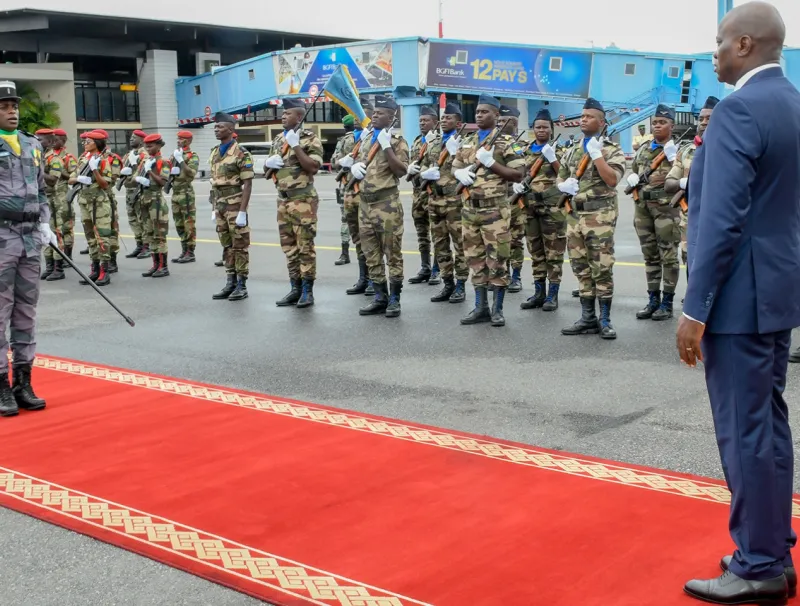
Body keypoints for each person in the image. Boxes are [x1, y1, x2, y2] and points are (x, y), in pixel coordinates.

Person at [677, 3, 800, 604]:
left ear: (746, 44)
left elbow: (721, 221)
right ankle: (771, 543)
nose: (716, 52)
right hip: (775, 291)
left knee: (744, 432)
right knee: (768, 426)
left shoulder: (739, 110)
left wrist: (695, 309)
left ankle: (759, 564)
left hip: (736, 299)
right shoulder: (793, 103)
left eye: (721, 41)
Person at [0, 80, 53, 416]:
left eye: (14, 106)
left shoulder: (32, 145)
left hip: (30, 239)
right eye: (4, 106)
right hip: (1, 237)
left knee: (26, 313)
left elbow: (42, 190)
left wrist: (46, 223)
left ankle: (23, 380)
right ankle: (0, 386)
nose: (12, 111)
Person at [452, 94, 525, 327]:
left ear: (496, 115)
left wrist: (492, 163)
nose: (479, 115)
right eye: (477, 112)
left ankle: (497, 309)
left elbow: (518, 174)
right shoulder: (468, 140)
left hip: (494, 211)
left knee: (498, 259)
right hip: (469, 210)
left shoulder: (505, 143)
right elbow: (456, 164)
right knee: (475, 260)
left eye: (485, 112)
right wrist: (458, 173)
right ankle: (480, 308)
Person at [558, 98, 625, 340]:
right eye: (582, 116)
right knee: (581, 268)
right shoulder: (573, 149)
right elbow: (561, 178)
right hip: (575, 216)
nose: (583, 119)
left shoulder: (611, 149)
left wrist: (597, 156)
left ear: (601, 122)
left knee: (602, 268)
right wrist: (563, 185)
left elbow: (612, 180)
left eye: (589, 116)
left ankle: (605, 319)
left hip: (600, 217)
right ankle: (587, 318)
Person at [349, 95, 409, 317]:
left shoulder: (397, 142)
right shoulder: (365, 140)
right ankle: (379, 296)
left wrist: (387, 148)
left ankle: (394, 299)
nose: (374, 115)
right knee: (371, 253)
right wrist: (353, 168)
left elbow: (402, 171)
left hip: (387, 204)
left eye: (380, 113)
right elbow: (359, 162)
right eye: (374, 112)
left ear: (391, 117)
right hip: (365, 204)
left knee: (392, 253)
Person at [267, 98, 324, 308]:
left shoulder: (310, 139)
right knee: (289, 247)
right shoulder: (277, 140)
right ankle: (295, 288)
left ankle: (308, 291)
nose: (283, 116)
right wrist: (267, 163)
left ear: (299, 117)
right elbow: (268, 172)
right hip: (283, 200)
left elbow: (312, 167)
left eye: (288, 113)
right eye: (282, 113)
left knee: (305, 247)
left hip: (303, 201)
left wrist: (296, 146)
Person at [628, 105, 681, 321]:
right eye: (655, 122)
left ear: (672, 125)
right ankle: (653, 300)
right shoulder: (643, 149)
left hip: (666, 209)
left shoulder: (678, 151)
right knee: (649, 255)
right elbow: (634, 170)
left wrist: (673, 157)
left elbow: (685, 172)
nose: (657, 125)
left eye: (662, 122)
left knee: (667, 255)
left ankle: (667, 303)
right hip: (643, 208)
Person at [515, 109, 566, 312]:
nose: (541, 130)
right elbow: (519, 172)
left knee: (553, 252)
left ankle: (552, 294)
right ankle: (539, 292)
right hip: (529, 207)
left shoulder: (559, 150)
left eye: (545, 127)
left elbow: (565, 173)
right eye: (538, 127)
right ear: (533, 129)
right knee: (535, 250)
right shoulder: (525, 151)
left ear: (552, 130)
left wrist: (552, 158)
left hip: (552, 208)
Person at [418, 101, 468, 304]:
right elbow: (424, 166)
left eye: (449, 118)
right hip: (434, 199)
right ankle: (447, 283)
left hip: (454, 200)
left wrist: (456, 152)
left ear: (458, 122)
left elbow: (471, 168)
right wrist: (423, 173)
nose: (445, 120)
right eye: (443, 117)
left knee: (459, 244)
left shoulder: (465, 143)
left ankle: (461, 285)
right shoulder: (433, 142)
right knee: (440, 244)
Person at [664, 96, 718, 281]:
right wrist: (683, 183)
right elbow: (669, 184)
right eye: (701, 118)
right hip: (690, 221)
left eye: (709, 118)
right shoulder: (687, 151)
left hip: (717, 221)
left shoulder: (730, 150)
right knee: (691, 267)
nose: (703, 123)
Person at [209, 112, 254, 301]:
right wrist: (213, 207)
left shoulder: (241, 153)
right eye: (215, 127)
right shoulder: (214, 152)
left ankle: (242, 285)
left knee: (239, 245)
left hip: (235, 203)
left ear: (231, 129)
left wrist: (242, 211)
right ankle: (230, 282)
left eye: (220, 127)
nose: (216, 130)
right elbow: (214, 182)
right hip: (219, 204)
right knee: (227, 245)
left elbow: (248, 184)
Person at [336, 98, 375, 296]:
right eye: (357, 115)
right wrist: (344, 162)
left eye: (363, 115)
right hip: (349, 194)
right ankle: (363, 277)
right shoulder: (348, 139)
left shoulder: (377, 138)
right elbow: (335, 162)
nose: (359, 119)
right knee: (357, 238)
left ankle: (374, 280)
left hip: (368, 196)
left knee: (371, 239)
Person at [70, 130, 114, 286]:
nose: (85, 144)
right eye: (84, 141)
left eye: (88, 141)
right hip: (84, 202)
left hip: (99, 203)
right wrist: (79, 178)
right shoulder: (82, 158)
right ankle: (94, 269)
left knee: (101, 237)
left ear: (97, 143)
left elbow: (105, 184)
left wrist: (94, 170)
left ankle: (104, 271)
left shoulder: (102, 161)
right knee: (90, 238)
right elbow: (70, 180)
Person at [406, 105, 438, 284]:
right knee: (422, 233)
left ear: (435, 122)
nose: (422, 123)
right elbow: (411, 164)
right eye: (420, 121)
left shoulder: (440, 141)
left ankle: (436, 269)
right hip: (418, 194)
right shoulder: (418, 141)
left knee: (437, 234)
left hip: (433, 194)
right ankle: (425, 267)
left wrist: (425, 171)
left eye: (426, 120)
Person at [499, 104, 527, 294]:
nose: (501, 124)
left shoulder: (518, 145)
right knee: (500, 239)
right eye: (499, 121)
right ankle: (503, 274)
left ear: (515, 124)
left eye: (505, 121)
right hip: (498, 198)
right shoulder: (493, 143)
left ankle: (516, 275)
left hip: (515, 198)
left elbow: (524, 169)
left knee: (516, 239)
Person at [136, 133, 171, 278]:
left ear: (158, 145)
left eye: (150, 146)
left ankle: (163, 266)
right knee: (149, 234)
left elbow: (163, 182)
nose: (148, 148)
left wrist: (150, 171)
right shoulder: (146, 160)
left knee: (159, 235)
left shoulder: (163, 162)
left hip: (156, 201)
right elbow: (136, 176)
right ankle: (155, 265)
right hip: (144, 200)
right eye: (146, 146)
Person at [45, 128, 77, 280]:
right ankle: (52, 264)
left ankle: (65, 258)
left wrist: (59, 171)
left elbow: (72, 176)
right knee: (51, 228)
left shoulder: (68, 157)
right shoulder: (47, 156)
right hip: (50, 195)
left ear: (63, 141)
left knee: (64, 227)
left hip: (62, 194)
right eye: (53, 139)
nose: (54, 142)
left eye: (57, 139)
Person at [169, 130, 200, 264]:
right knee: (179, 223)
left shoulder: (191, 156)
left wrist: (181, 161)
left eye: (181, 139)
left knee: (189, 223)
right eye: (178, 139)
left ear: (187, 141)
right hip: (175, 193)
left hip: (186, 193)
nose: (178, 141)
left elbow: (191, 173)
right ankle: (184, 250)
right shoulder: (174, 155)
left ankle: (190, 252)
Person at [120, 129, 149, 259]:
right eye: (131, 137)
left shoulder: (144, 155)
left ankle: (146, 246)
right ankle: (139, 244)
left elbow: (144, 171)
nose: (131, 139)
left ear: (142, 140)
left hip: (139, 191)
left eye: (134, 137)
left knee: (142, 219)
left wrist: (134, 164)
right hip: (129, 191)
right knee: (132, 219)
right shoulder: (128, 154)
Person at [330, 114, 354, 266]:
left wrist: (340, 161)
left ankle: (345, 253)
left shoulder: (343, 142)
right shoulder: (349, 141)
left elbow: (333, 162)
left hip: (348, 185)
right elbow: (335, 163)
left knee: (345, 220)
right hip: (349, 184)